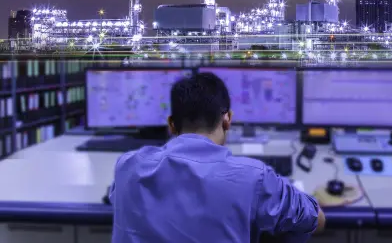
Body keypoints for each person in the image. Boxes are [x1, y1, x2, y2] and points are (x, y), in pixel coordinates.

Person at [109, 72, 325, 243]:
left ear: (172, 124)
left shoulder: (127, 166)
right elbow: (315, 219)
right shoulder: (253, 178)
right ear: (227, 119)